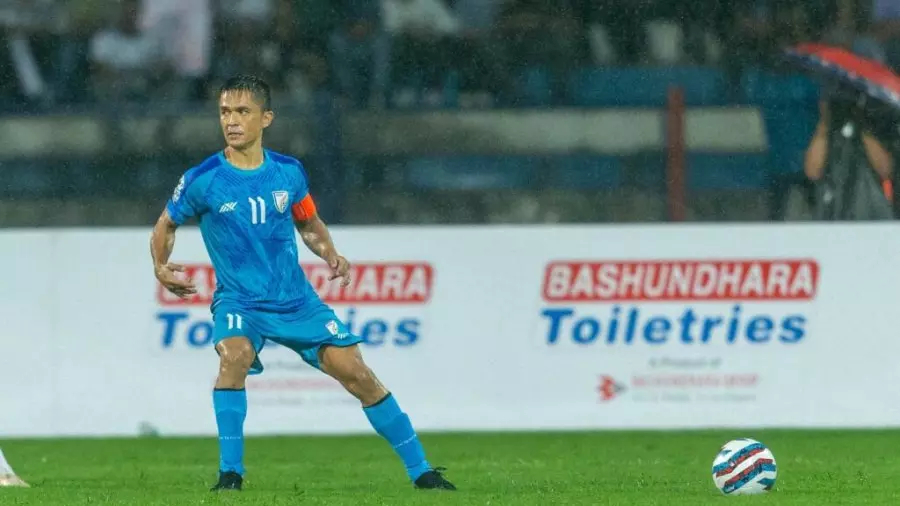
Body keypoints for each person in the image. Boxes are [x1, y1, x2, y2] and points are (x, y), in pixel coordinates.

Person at [149, 75, 455, 492]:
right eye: (225, 112)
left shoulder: (289, 172)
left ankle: (423, 473)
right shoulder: (204, 178)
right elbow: (166, 224)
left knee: (357, 373)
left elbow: (308, 221)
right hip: (240, 302)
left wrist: (330, 253)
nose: (231, 121)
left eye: (243, 111)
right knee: (234, 356)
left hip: (296, 302)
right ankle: (230, 475)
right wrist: (160, 266)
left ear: (266, 118)